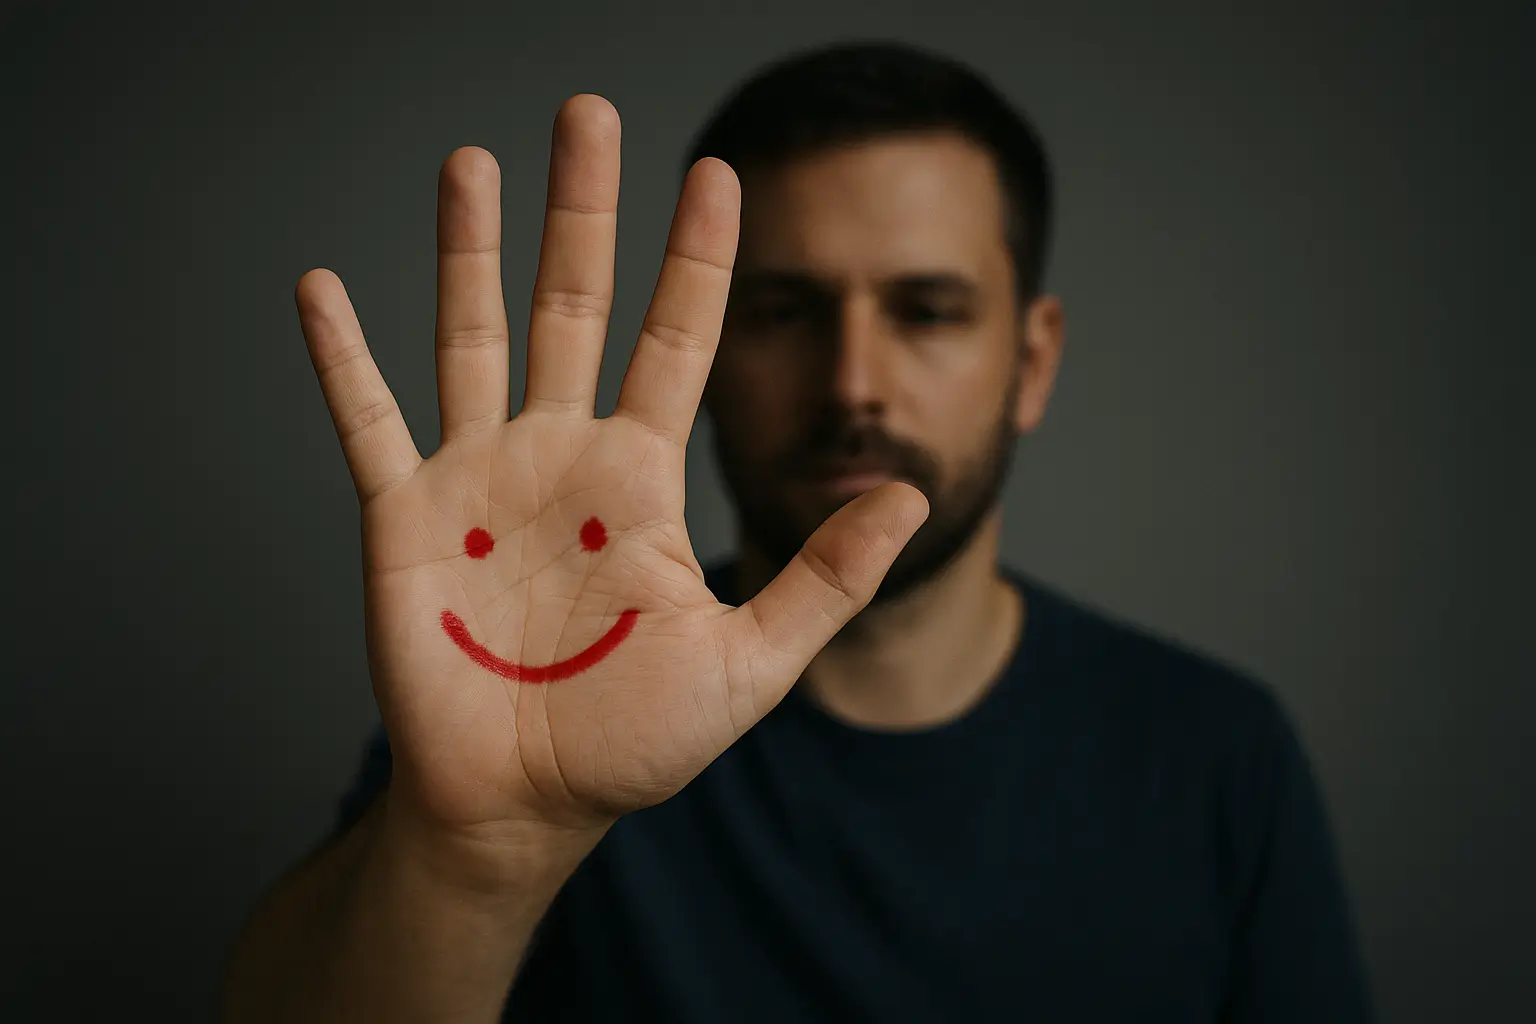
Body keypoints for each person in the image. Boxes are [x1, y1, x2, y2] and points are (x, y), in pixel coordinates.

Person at [223, 42, 1372, 1023]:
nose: (852, 383)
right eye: (781, 312)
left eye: (926, 311)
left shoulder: (1216, 752)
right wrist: (474, 860)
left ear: (1032, 360)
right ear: (709, 355)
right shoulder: (554, 694)